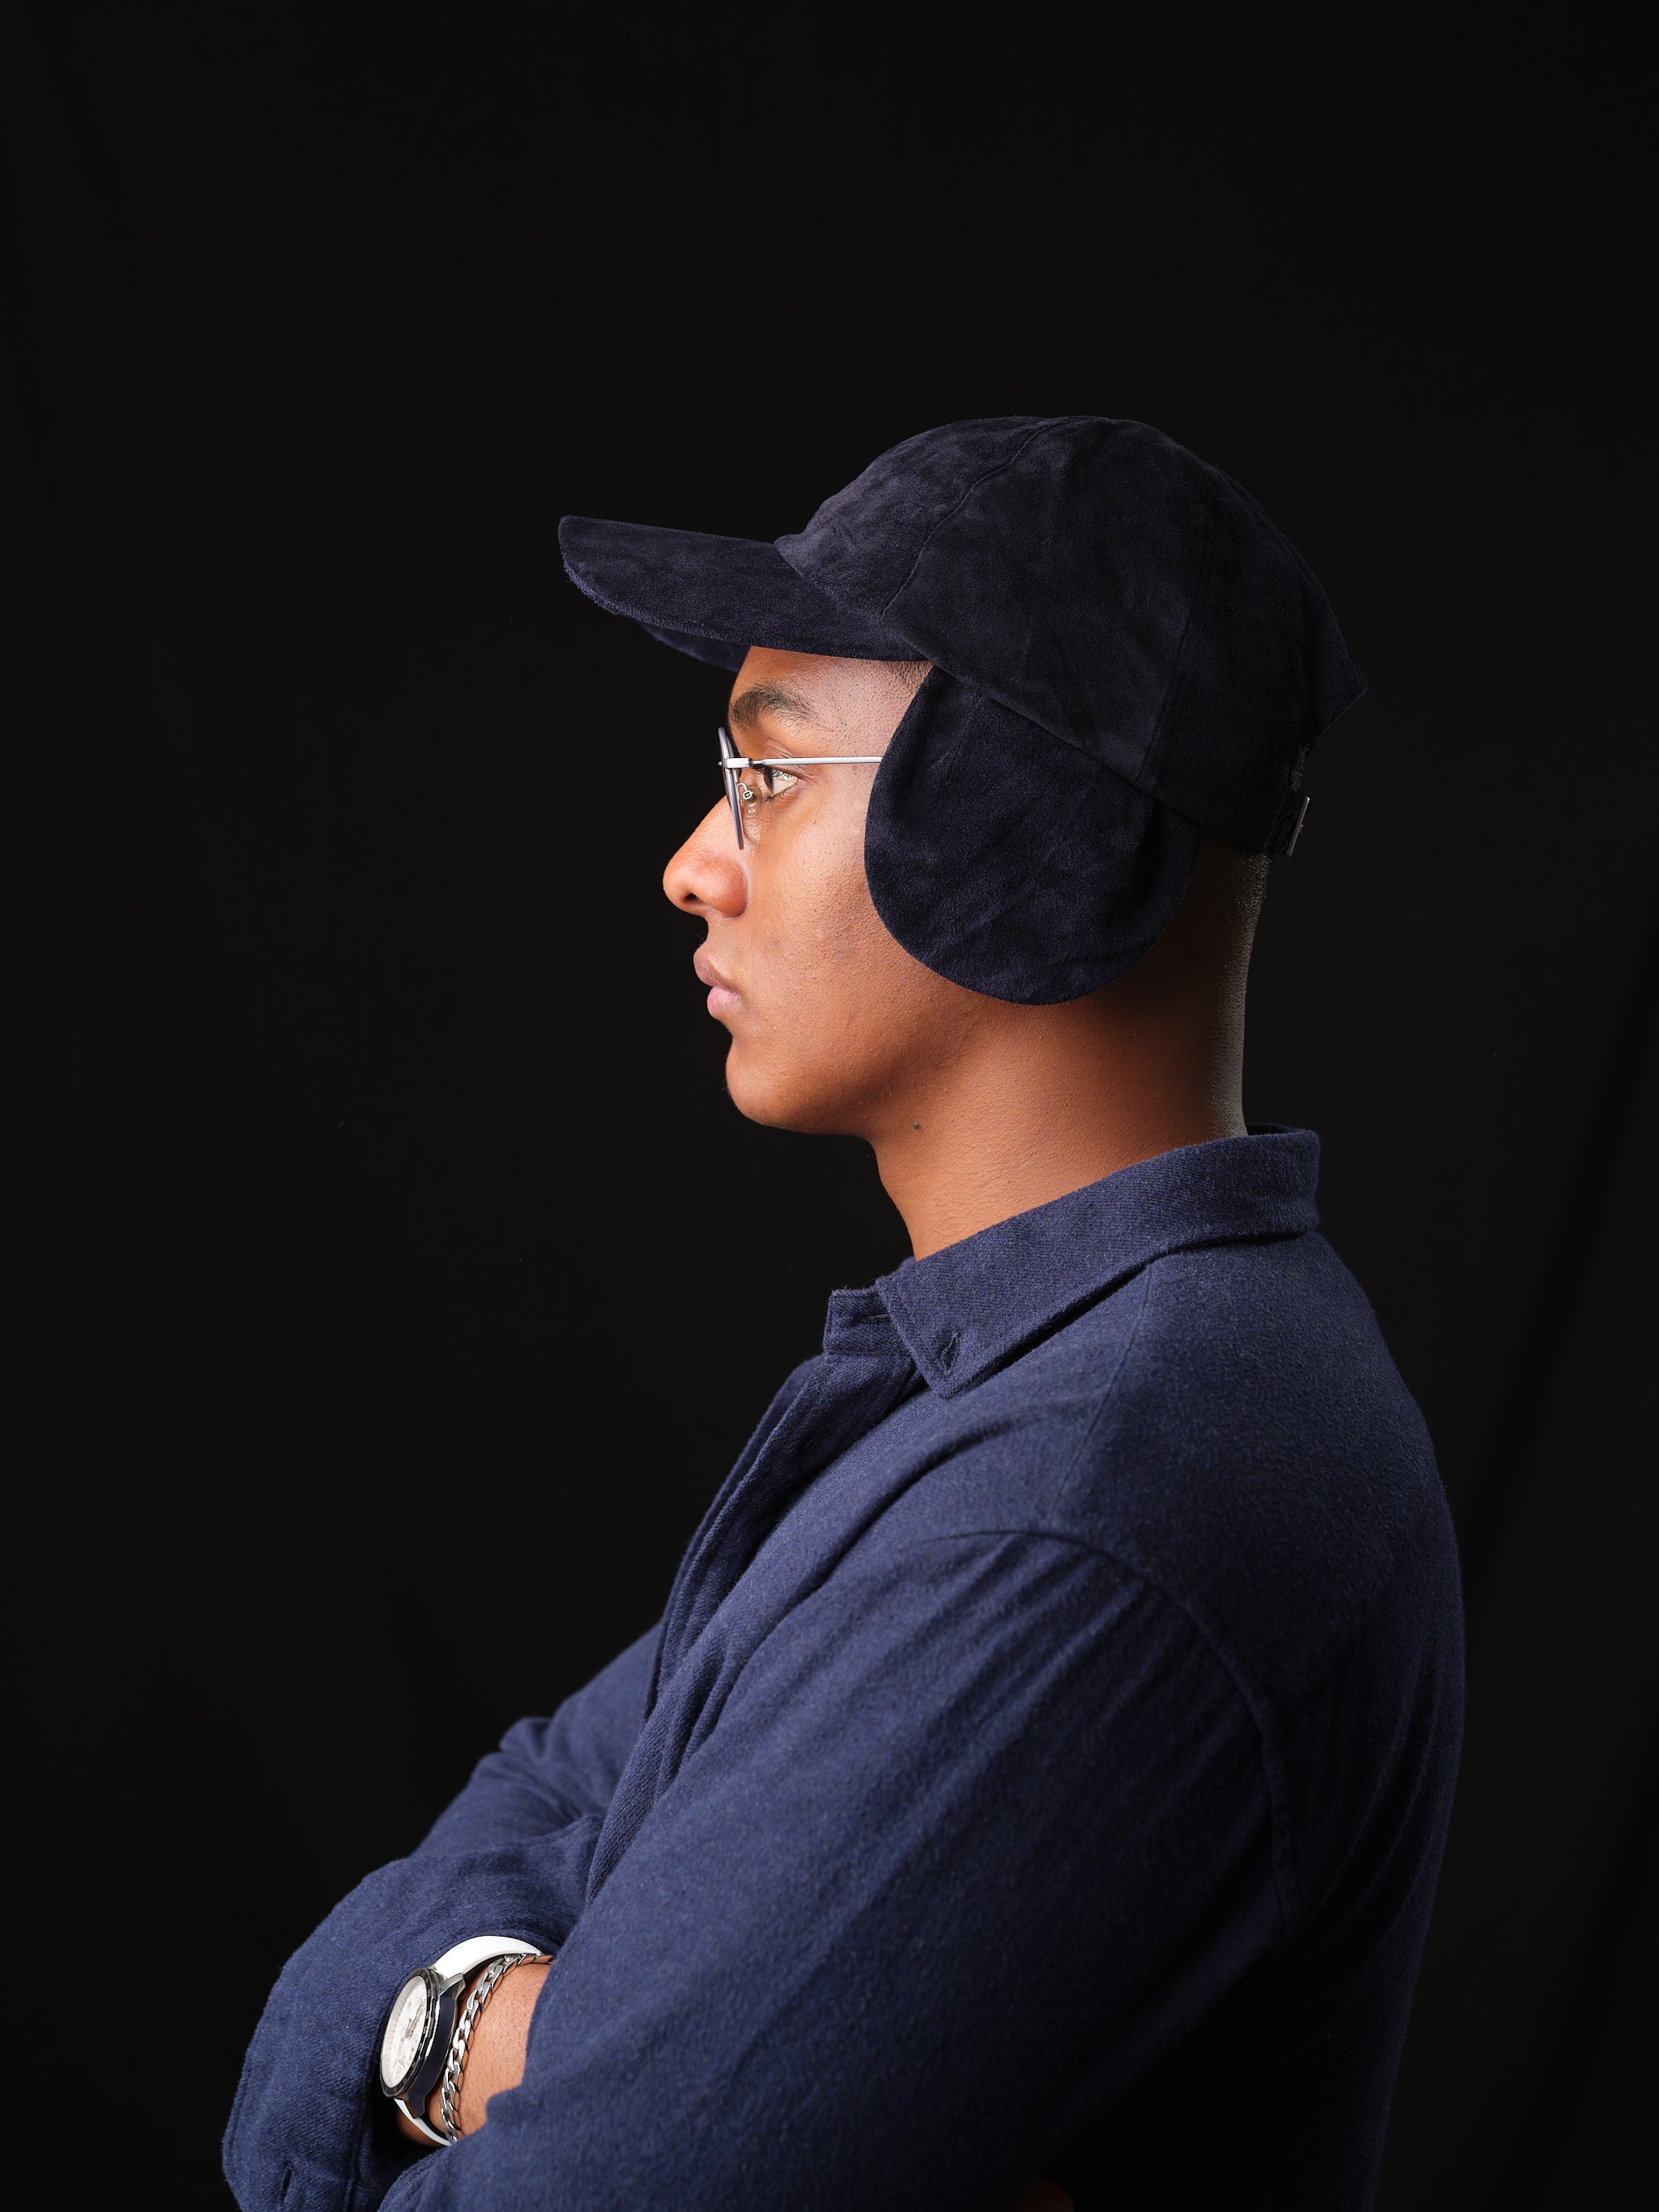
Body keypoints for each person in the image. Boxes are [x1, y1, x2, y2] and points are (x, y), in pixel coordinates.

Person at [224, 416, 1463, 2212]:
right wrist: (513, 2018)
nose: (692, 864)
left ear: (1022, 829)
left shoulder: (1098, 1502)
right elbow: (537, 1794)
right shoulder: (1010, 1397)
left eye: (766, 774)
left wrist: (428, 2035)